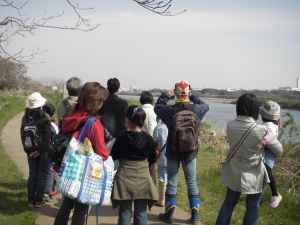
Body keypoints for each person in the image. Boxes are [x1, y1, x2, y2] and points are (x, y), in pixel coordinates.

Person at [215, 94, 283, 225]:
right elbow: (279, 150)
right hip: (254, 173)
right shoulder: (261, 130)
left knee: (229, 203)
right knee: (252, 206)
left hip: (234, 170)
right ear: (255, 109)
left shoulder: (230, 125)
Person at [53, 82, 110, 225]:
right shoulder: (93, 123)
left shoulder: (72, 116)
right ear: (93, 103)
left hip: (70, 168)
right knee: (81, 208)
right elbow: (103, 154)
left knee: (65, 206)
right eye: (101, 101)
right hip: (84, 173)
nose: (102, 104)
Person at [155, 80, 209, 225]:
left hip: (173, 150)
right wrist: (193, 96)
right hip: (191, 152)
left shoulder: (170, 111)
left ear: (176, 93)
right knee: (191, 181)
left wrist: (166, 95)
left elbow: (157, 107)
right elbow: (206, 105)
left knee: (172, 180)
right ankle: (195, 216)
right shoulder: (197, 110)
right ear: (188, 93)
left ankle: (168, 214)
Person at [111, 105, 159, 225]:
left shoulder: (122, 137)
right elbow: (153, 158)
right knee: (141, 212)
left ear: (128, 120)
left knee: (125, 212)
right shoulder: (148, 139)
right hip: (143, 177)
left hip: (124, 177)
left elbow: (114, 155)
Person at [20, 92, 53, 208]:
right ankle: (38, 200)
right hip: (42, 151)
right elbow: (47, 138)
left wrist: (28, 151)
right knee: (41, 175)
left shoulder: (25, 118)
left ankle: (30, 200)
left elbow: (23, 135)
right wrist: (39, 150)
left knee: (32, 174)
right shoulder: (44, 117)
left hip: (30, 151)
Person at [259, 100, 283, 208]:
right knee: (264, 175)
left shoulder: (268, 125)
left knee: (267, 172)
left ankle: (275, 194)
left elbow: (271, 135)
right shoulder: (272, 124)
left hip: (268, 153)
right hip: (269, 152)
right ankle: (258, 199)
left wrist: (263, 142)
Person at [153, 117, 168, 207]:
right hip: (173, 156)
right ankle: (168, 200)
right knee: (170, 178)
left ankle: (161, 199)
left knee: (162, 177)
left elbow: (154, 142)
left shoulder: (159, 128)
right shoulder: (173, 126)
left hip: (162, 155)